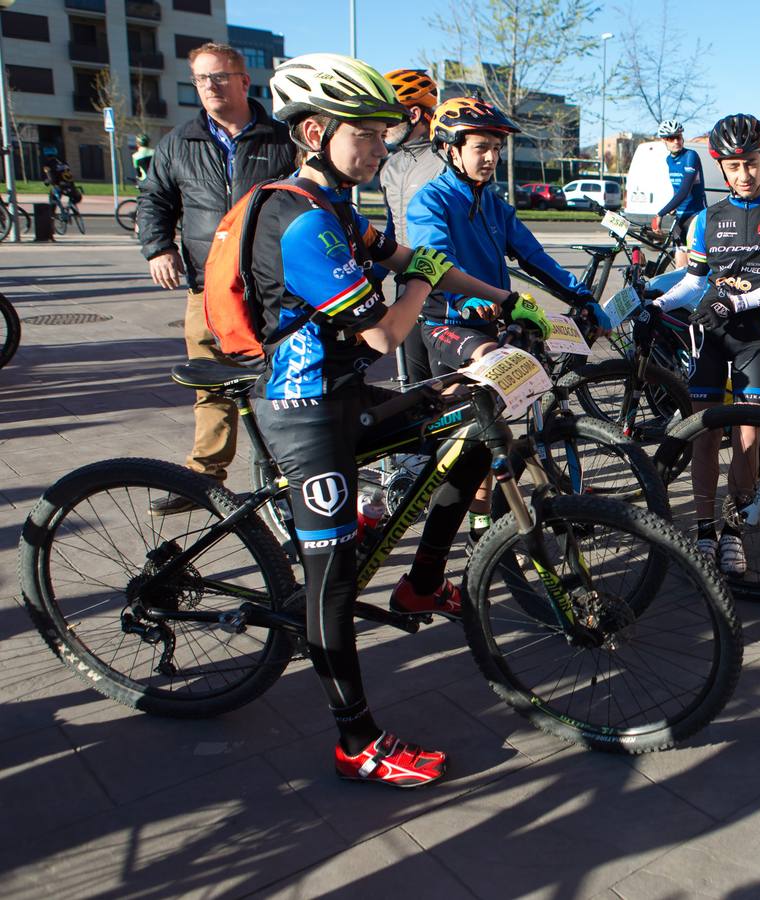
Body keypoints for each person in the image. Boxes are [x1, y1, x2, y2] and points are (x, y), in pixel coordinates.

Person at [256, 53, 519, 788]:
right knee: (334, 580)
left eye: (383, 133)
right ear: (314, 132)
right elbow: (383, 334)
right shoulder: (301, 223)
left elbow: (420, 258)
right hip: (302, 408)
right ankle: (355, 741)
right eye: (366, 134)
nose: (380, 146)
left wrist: (503, 300)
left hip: (343, 392)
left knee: (465, 426)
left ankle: (423, 580)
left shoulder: (338, 209)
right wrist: (420, 281)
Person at [405, 96, 608, 544]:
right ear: (451, 149)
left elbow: (534, 256)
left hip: (491, 319)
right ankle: (460, 516)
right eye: (481, 147)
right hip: (447, 321)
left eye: (497, 148)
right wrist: (464, 299)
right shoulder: (430, 201)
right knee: (472, 432)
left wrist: (582, 296)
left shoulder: (494, 204)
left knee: (488, 427)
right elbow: (436, 257)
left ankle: (486, 518)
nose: (492, 157)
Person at [136, 42, 297, 513]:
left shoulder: (281, 138)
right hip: (208, 288)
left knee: (281, 380)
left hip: (271, 287)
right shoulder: (179, 142)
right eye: (201, 79)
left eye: (219, 76)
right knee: (211, 382)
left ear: (245, 81)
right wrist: (158, 248)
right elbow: (154, 199)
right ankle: (204, 480)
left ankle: (290, 473)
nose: (209, 86)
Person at [644, 113, 760, 573]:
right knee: (704, 437)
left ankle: (734, 531)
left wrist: (735, 305)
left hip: (753, 338)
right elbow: (694, 283)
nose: (744, 174)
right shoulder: (704, 220)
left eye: (751, 163)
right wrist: (657, 302)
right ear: (721, 167)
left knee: (748, 439)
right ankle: (705, 530)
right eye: (733, 167)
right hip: (709, 338)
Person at [379, 68, 444, 386]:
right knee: (415, 388)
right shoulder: (389, 166)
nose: (383, 125)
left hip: (446, 288)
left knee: (449, 384)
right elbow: (392, 228)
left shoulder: (447, 161)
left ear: (415, 113)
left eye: (390, 116)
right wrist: (373, 277)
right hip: (406, 283)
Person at [648, 119, 705, 269]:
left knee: (695, 267)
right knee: (680, 268)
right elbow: (677, 188)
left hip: (695, 214)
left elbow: (685, 190)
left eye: (678, 137)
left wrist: (661, 213)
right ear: (663, 141)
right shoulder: (669, 160)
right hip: (681, 215)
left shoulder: (690, 156)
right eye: (670, 138)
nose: (676, 141)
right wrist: (673, 207)